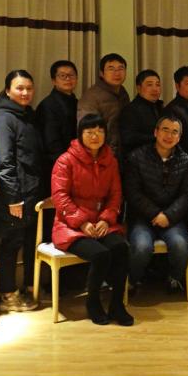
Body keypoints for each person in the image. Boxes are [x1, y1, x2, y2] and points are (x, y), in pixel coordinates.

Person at [51, 114, 133, 326]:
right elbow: (60, 197)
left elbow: (115, 195)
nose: (95, 136)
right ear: (80, 134)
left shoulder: (110, 160)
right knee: (100, 254)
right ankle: (93, 303)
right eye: (89, 132)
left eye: (99, 131)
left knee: (121, 248)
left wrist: (106, 219)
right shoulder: (66, 160)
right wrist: (82, 222)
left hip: (101, 223)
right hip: (71, 226)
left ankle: (116, 305)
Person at [0, 69, 45, 313]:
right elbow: (4, 162)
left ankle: (29, 289)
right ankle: (7, 294)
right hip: (15, 195)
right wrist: (13, 199)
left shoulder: (27, 115)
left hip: (32, 192)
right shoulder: (3, 117)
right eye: (19, 88)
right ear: (7, 90)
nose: (25, 92)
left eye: (29, 88)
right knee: (11, 243)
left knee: (30, 241)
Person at [124, 114, 188, 295]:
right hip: (142, 217)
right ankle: (133, 280)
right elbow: (132, 192)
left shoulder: (186, 160)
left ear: (179, 137)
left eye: (174, 132)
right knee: (141, 247)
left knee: (180, 245)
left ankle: (174, 279)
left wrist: (168, 215)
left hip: (172, 218)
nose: (169, 136)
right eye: (165, 130)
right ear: (155, 132)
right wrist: (155, 214)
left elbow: (187, 195)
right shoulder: (136, 157)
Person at [76, 53, 130, 159]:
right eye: (111, 69)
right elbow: (87, 130)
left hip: (122, 152)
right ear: (101, 73)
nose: (117, 73)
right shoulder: (92, 96)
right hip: (101, 155)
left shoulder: (123, 92)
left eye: (121, 68)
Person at [35, 59, 78, 177]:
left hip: (73, 162)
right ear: (53, 80)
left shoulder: (76, 102)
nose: (68, 79)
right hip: (57, 166)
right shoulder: (48, 105)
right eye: (62, 76)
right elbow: (51, 143)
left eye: (71, 75)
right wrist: (66, 165)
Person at [119, 69, 164, 158]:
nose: (155, 89)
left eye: (158, 85)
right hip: (138, 159)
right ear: (139, 88)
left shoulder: (160, 107)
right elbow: (128, 138)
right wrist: (156, 137)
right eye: (149, 85)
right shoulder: (131, 110)